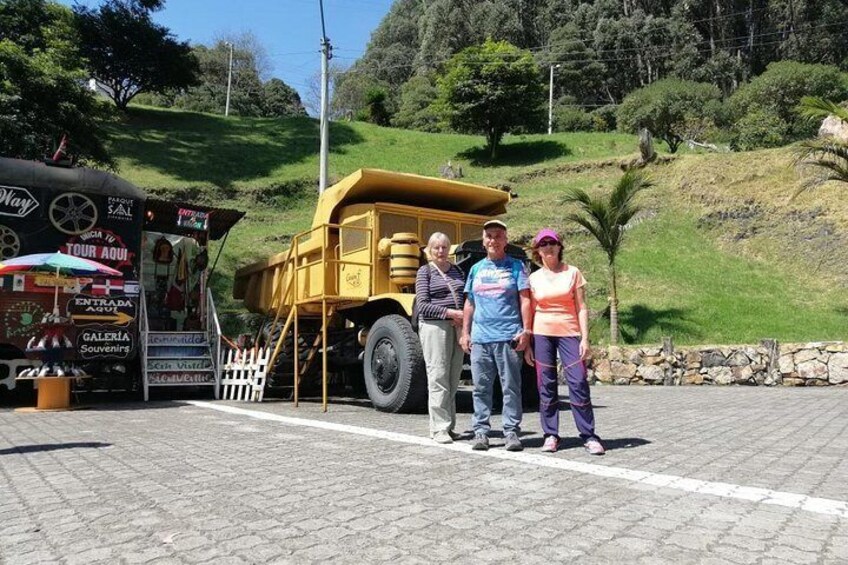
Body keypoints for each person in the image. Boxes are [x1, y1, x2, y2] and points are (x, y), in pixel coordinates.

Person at [524, 228, 604, 455]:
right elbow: (530, 311)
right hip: (542, 334)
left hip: (569, 332)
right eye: (543, 244)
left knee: (578, 382)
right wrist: (528, 342)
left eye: (552, 243)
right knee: (546, 385)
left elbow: (582, 307)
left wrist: (585, 339)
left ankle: (589, 435)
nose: (548, 247)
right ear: (537, 251)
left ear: (560, 246)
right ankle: (550, 434)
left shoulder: (573, 272)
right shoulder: (533, 278)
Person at [460, 219, 532, 452]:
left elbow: (525, 300)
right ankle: (481, 432)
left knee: (510, 387)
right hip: (481, 339)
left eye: (498, 236)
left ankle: (511, 432)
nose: (493, 240)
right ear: (484, 241)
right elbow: (469, 303)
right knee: (481, 388)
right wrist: (465, 333)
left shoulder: (516, 267)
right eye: (489, 236)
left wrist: (526, 331)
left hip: (508, 337)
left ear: (505, 240)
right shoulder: (476, 269)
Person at [415, 232, 466, 444]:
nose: (440, 251)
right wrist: (451, 313)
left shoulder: (458, 271)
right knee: (438, 376)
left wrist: (462, 318)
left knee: (454, 376)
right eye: (436, 247)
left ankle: (449, 426)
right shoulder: (424, 272)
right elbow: (423, 304)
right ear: (429, 250)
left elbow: (465, 297)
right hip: (435, 327)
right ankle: (438, 429)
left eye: (444, 247)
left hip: (457, 326)